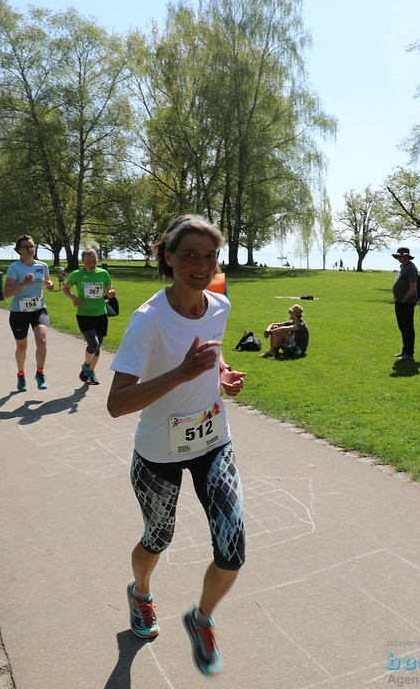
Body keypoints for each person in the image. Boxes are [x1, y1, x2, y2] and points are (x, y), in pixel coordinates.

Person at [107, 214, 247, 677]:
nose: (202, 265)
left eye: (210, 256)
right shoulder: (148, 320)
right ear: (168, 257)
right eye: (190, 255)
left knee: (232, 549)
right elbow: (116, 403)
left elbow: (210, 349)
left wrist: (220, 373)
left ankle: (201, 617)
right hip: (159, 453)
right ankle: (141, 595)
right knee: (158, 538)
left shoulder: (219, 304)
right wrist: (182, 374)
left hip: (213, 441)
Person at [3, 235, 54, 391]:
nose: (29, 249)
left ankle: (40, 373)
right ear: (19, 250)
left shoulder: (42, 266)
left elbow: (47, 282)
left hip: (38, 309)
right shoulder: (15, 268)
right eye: (25, 247)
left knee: (42, 340)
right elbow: (7, 293)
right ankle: (21, 374)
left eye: (31, 246)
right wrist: (23, 283)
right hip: (19, 312)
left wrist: (49, 285)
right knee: (22, 346)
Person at [62, 249, 114, 386]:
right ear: (83, 262)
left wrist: (111, 292)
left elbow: (109, 289)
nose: (91, 264)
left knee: (98, 348)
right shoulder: (77, 274)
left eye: (94, 261)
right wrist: (73, 297)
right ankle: (86, 366)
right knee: (93, 344)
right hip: (84, 314)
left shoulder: (103, 273)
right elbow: (65, 288)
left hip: (101, 314)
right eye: (88, 261)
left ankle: (91, 372)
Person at [392, 246, 419, 360]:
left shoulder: (411, 268)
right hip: (400, 302)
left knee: (407, 327)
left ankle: (409, 353)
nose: (399, 257)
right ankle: (405, 350)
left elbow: (413, 288)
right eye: (398, 255)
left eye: (401, 256)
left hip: (406, 303)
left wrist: (403, 300)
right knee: (402, 327)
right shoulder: (403, 266)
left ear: (407, 256)